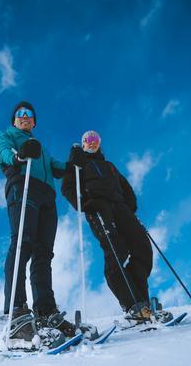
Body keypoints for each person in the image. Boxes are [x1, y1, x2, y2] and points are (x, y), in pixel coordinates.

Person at [0, 101, 98, 344]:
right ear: (14, 120)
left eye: (29, 114)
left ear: (34, 121)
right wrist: (18, 155)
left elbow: (57, 168)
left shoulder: (41, 148)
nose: (24, 116)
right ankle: (17, 311)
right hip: (23, 185)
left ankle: (46, 311)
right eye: (20, 113)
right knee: (22, 243)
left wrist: (74, 165)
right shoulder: (7, 136)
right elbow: (2, 152)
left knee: (43, 254)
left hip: (47, 196)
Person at [62, 130, 173, 325]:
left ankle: (142, 302)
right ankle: (132, 305)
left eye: (95, 139)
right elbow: (67, 187)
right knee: (116, 249)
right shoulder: (77, 165)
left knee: (142, 246)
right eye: (88, 140)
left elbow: (125, 186)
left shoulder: (109, 165)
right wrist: (83, 204)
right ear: (83, 143)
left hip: (120, 207)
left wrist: (129, 205)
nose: (92, 142)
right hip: (98, 207)